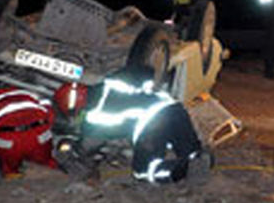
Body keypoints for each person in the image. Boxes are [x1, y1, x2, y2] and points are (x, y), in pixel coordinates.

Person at [80, 69, 211, 185]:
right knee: (187, 147)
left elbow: (98, 133)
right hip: (171, 106)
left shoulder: (95, 109)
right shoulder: (104, 88)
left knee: (144, 172)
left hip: (153, 116)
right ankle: (196, 156)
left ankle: (185, 170)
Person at [0, 87, 60, 178]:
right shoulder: (30, 94)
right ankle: (55, 174)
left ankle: (12, 176)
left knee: (9, 169)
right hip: (39, 133)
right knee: (47, 162)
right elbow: (50, 112)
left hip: (9, 140)